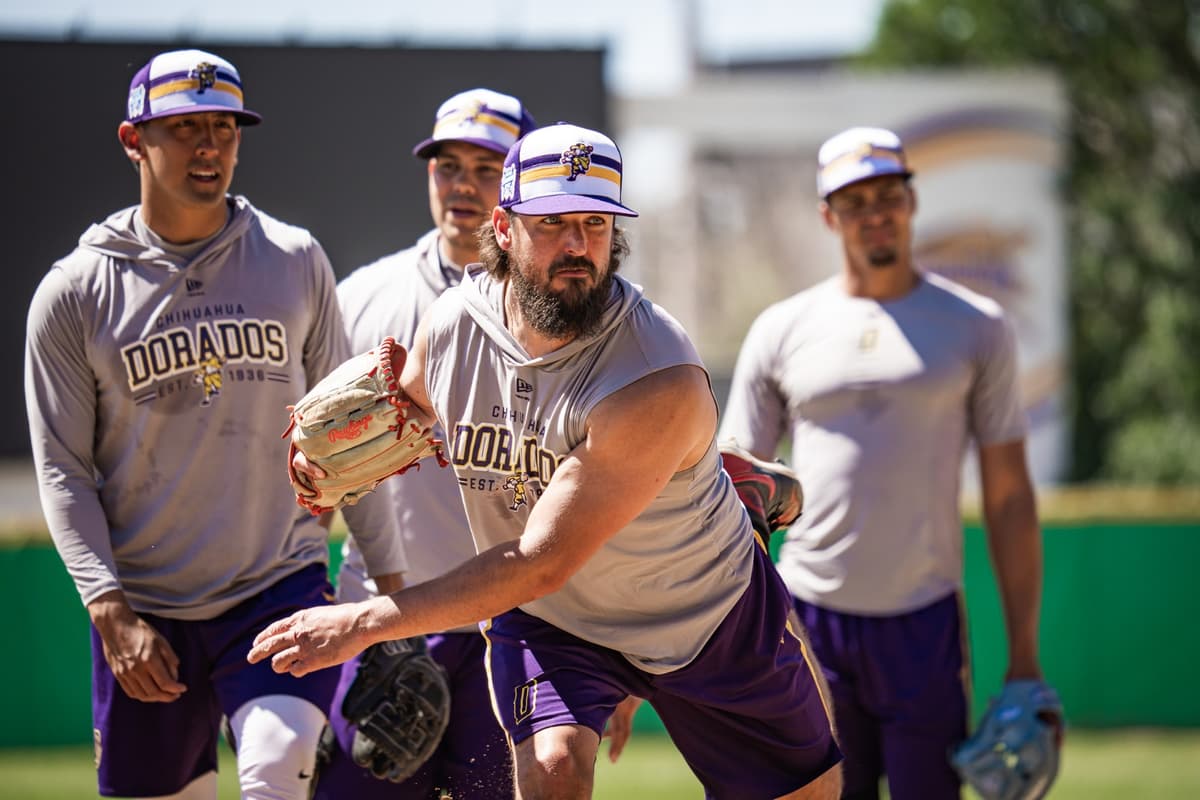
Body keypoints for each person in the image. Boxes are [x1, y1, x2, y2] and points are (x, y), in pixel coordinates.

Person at [250, 122, 843, 800]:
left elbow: (538, 561)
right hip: (558, 620)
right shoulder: (452, 328)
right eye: (553, 222)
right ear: (503, 227)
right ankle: (714, 477)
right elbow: (401, 414)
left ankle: (723, 491)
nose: (577, 246)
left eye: (594, 224)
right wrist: (329, 464)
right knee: (554, 767)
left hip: (705, 612)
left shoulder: (656, 377)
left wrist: (360, 622)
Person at [24, 48, 404, 800]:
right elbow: (63, 467)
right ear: (134, 140)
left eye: (225, 128)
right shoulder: (74, 292)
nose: (211, 146)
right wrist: (108, 608)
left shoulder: (293, 259)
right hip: (147, 607)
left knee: (277, 765)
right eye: (187, 127)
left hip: (276, 583)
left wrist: (395, 600)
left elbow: (354, 439)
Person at [718, 126, 1056, 800]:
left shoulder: (976, 325)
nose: (873, 212)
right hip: (808, 615)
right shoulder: (783, 328)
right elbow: (733, 493)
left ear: (910, 200)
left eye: (886, 195)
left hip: (923, 621)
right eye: (854, 200)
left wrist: (1024, 660)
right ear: (828, 215)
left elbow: (1010, 499)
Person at [314, 87, 538, 799]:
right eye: (448, 166)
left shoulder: (564, 315)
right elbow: (313, 474)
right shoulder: (364, 297)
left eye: (487, 167)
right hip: (382, 613)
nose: (463, 186)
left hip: (512, 625)